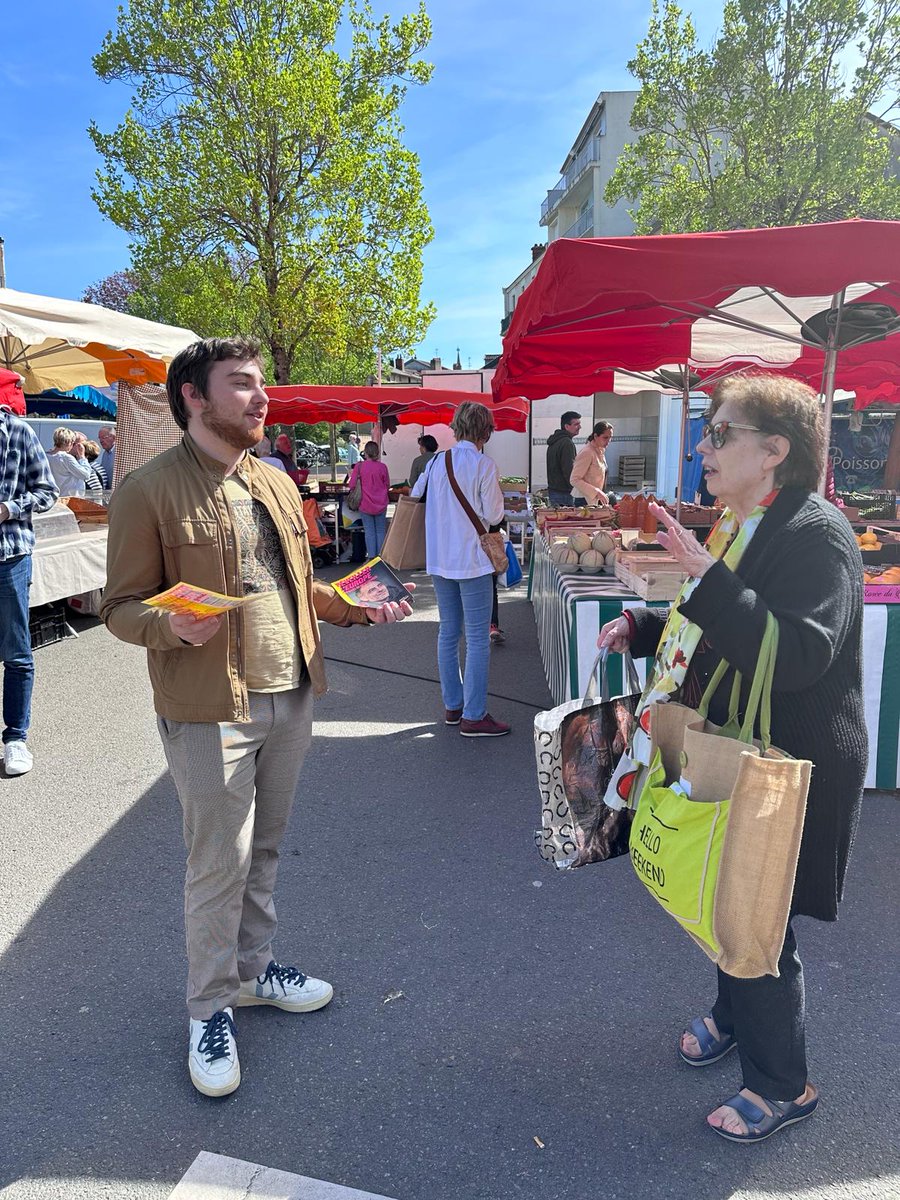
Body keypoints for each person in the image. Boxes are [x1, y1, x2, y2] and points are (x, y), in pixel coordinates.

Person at [100, 336, 413, 1098]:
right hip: (208, 707)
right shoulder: (147, 490)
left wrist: (353, 610)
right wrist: (166, 625)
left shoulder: (273, 481)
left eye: (259, 383)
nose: (259, 396)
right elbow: (117, 608)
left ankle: (252, 971)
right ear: (194, 398)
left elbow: (297, 586)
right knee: (218, 863)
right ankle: (208, 1006)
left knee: (264, 852)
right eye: (240, 384)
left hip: (292, 690)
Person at [597, 373, 865, 1144]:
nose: (701, 448)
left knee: (760, 910)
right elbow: (714, 625)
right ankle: (736, 1012)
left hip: (790, 761)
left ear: (774, 450)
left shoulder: (818, 533)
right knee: (725, 884)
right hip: (735, 745)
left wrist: (708, 581)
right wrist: (649, 627)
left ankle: (784, 1084)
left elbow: (799, 654)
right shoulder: (745, 519)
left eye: (719, 434)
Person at [411, 401, 509, 737]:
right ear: (486, 431)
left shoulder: (436, 460)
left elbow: (415, 495)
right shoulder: (484, 464)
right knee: (478, 638)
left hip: (440, 558)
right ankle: (474, 715)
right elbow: (495, 515)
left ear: (456, 427)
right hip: (473, 560)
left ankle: (454, 706)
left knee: (449, 632)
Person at [0, 388, 59, 776]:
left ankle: (16, 738)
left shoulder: (17, 432)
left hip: (9, 554)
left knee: (16, 651)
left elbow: (48, 492)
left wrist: (9, 507)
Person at [346, 441, 390, 558]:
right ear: (377, 452)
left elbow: (352, 485)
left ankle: (371, 558)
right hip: (381, 503)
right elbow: (387, 485)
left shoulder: (359, 466)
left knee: (369, 531)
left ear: (365, 452)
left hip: (365, 504)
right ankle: (381, 558)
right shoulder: (383, 467)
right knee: (380, 531)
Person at [571, 421, 613, 506]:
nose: (608, 441)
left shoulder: (599, 451)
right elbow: (574, 479)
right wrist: (596, 492)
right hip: (583, 500)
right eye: (605, 438)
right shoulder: (587, 452)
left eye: (610, 437)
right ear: (595, 436)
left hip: (592, 500)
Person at [546, 411, 581, 506]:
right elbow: (569, 470)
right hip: (564, 493)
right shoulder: (566, 443)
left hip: (554, 490)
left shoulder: (555, 441)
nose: (579, 427)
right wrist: (576, 488)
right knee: (566, 520)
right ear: (566, 426)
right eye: (576, 424)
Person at [47, 427, 94, 497]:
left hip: (53, 496)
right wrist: (82, 457)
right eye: (72, 443)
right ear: (68, 442)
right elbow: (85, 475)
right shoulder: (66, 458)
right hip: (68, 498)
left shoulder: (46, 455)